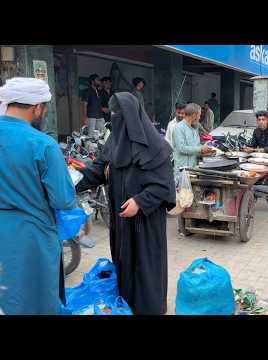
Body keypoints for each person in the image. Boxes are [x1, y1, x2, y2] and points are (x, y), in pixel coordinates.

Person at [76, 92, 176, 315]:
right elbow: (97, 170)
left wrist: (140, 201)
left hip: (145, 224)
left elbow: (164, 186)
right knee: (124, 265)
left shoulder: (156, 147)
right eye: (112, 113)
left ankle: (150, 309)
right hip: (121, 223)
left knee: (146, 269)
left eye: (119, 113)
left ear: (132, 115)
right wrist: (70, 181)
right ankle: (126, 307)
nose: (115, 117)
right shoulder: (114, 141)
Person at [0, 77, 76, 314]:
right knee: (34, 300)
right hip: (31, 237)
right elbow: (63, 199)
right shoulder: (42, 144)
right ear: (37, 107)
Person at [172, 103, 213, 178]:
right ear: (194, 115)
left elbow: (195, 147)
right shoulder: (179, 128)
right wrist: (200, 148)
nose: (199, 117)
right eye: (199, 115)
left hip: (192, 169)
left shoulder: (194, 128)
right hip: (182, 171)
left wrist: (204, 150)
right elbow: (181, 148)